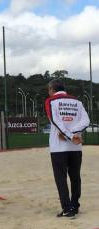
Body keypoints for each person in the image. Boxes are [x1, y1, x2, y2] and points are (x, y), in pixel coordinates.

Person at [45, 79, 90, 218]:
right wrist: (73, 133)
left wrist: (68, 135)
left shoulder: (51, 101)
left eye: (49, 89)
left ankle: (67, 208)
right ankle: (75, 206)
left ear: (52, 89)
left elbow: (55, 121)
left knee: (61, 178)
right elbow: (86, 121)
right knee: (75, 177)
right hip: (76, 147)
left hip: (58, 148)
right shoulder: (77, 102)